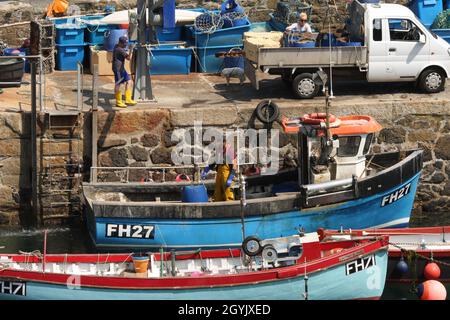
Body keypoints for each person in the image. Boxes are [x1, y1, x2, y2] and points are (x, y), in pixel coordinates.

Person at [112, 36, 137, 108]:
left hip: (121, 68)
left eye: (125, 44)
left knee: (129, 81)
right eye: (124, 44)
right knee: (118, 84)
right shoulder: (119, 49)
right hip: (118, 69)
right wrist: (131, 49)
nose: (125, 45)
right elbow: (128, 58)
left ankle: (128, 99)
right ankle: (118, 101)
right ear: (120, 43)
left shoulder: (116, 46)